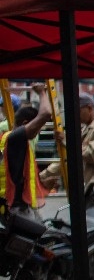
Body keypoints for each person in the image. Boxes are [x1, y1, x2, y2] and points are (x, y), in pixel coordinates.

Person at [39, 94, 94, 202]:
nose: (76, 115)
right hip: (89, 191)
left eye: (79, 111)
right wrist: (43, 176)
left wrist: (67, 141)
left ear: (89, 108)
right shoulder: (85, 130)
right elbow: (70, 158)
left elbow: (93, 156)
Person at [0, 83, 51, 220]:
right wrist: (41, 92)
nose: (38, 131)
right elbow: (46, 113)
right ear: (25, 124)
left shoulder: (8, 137)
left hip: (12, 205)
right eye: (37, 128)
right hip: (16, 208)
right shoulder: (16, 138)